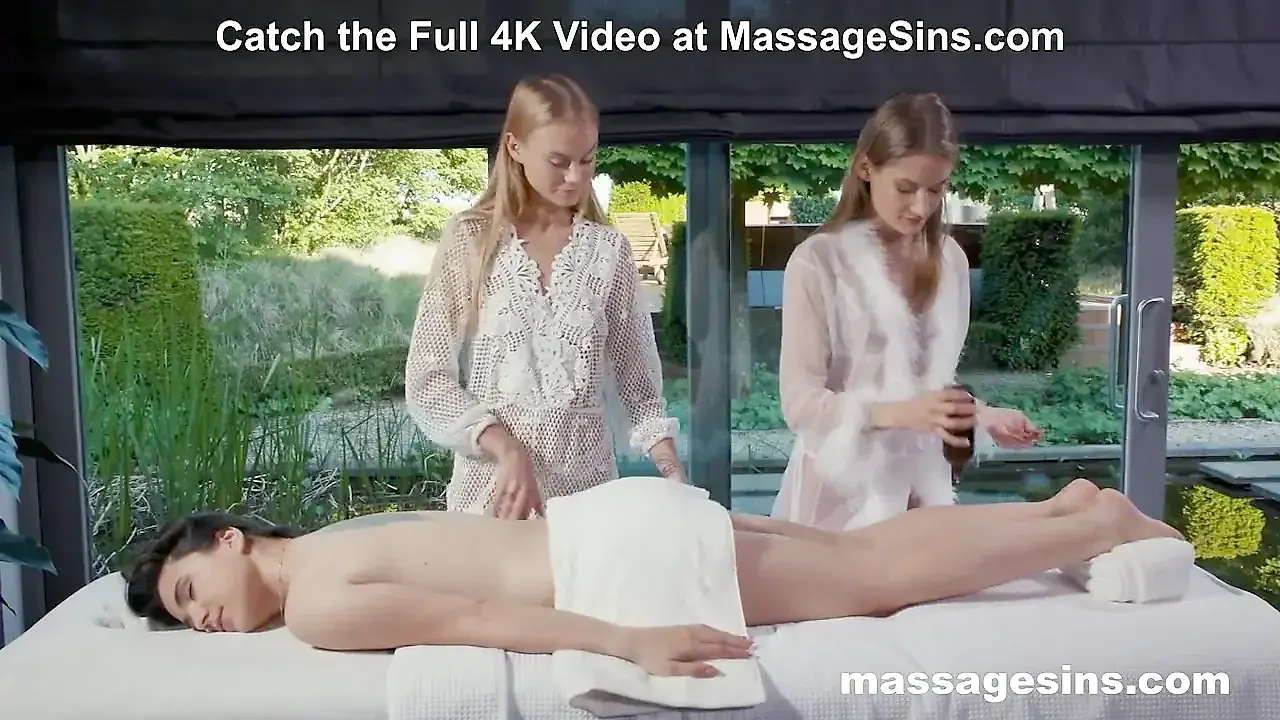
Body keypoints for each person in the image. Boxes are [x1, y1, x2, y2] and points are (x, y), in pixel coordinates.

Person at [123, 478, 1183, 678]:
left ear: (229, 541)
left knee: (870, 578)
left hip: (618, 556)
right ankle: (1060, 513)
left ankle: (1092, 524)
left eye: (187, 594)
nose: (201, 619)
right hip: (615, 519)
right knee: (857, 555)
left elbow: (474, 614)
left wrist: (626, 641)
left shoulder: (314, 606)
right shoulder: (330, 541)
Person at [404, 74, 682, 518]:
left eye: (587, 160)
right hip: (493, 498)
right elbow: (427, 381)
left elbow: (639, 387)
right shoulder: (471, 240)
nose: (576, 177)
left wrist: (670, 468)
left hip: (587, 503)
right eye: (558, 161)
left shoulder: (608, 250)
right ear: (514, 147)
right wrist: (506, 447)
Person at [773, 92, 1041, 531]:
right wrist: (900, 413)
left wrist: (982, 416)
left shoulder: (950, 260)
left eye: (935, 190)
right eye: (905, 188)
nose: (921, 207)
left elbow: (931, 385)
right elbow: (800, 404)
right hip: (839, 498)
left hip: (924, 492)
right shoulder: (818, 262)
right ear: (866, 168)